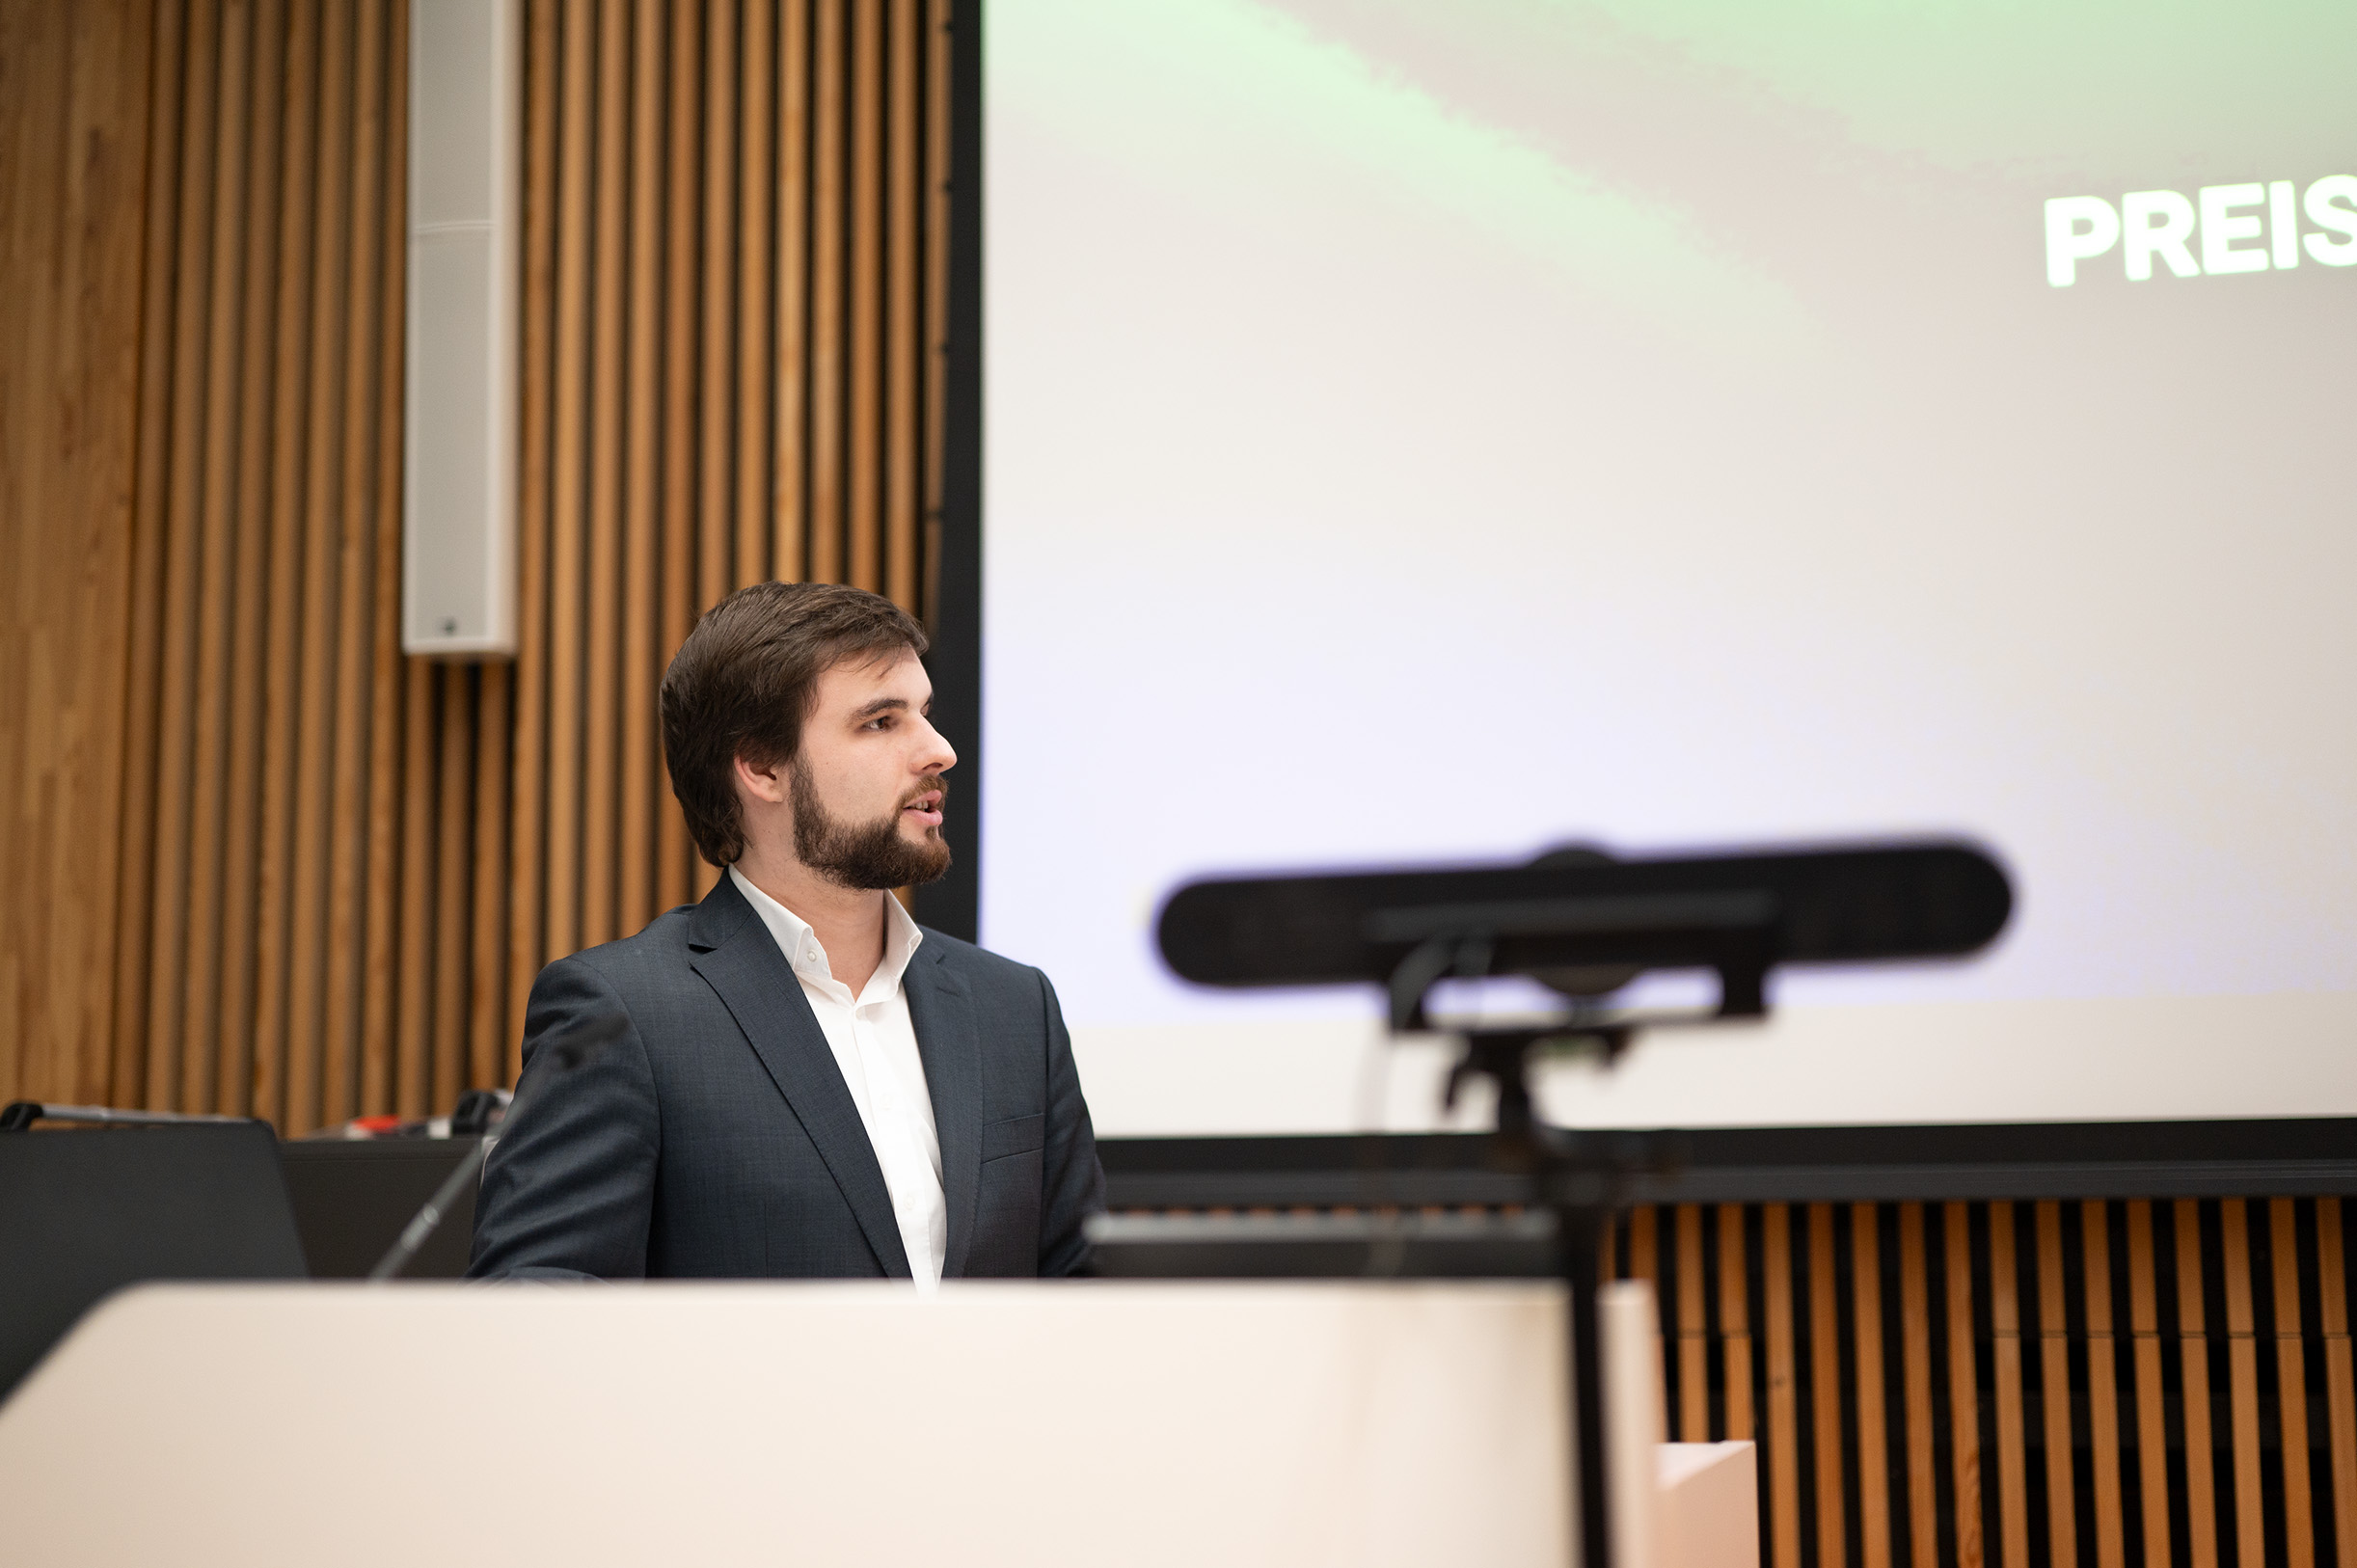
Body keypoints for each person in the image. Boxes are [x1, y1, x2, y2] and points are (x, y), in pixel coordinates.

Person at [468, 581, 1102, 1282]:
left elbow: (1081, 1287)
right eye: (881, 722)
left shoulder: (1014, 1008)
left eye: (924, 713)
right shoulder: (623, 1016)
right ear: (762, 767)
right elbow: (534, 1304)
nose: (940, 750)